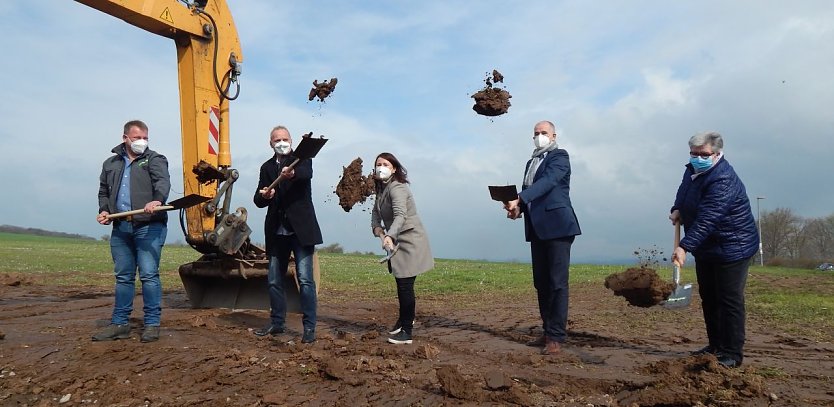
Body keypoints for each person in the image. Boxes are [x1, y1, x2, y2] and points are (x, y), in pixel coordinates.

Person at [669, 131, 759, 368]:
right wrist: (677, 207)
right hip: (707, 247)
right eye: (694, 153)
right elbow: (684, 191)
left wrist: (684, 246)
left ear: (717, 154)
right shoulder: (692, 170)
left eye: (703, 154)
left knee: (729, 300)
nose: (698, 157)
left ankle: (732, 353)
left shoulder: (723, 179)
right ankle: (715, 346)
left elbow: (709, 218)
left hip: (733, 246)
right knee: (709, 297)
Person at [504, 120, 581, 355]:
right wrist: (519, 209)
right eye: (536, 133)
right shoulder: (531, 162)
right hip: (537, 228)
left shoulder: (559, 157)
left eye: (543, 133)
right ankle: (547, 331)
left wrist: (519, 197)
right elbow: (533, 193)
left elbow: (547, 184)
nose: (539, 136)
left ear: (554, 135)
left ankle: (556, 336)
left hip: (558, 226)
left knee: (558, 283)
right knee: (542, 283)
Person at [94, 120, 170, 343]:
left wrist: (157, 200)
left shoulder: (155, 159)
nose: (141, 141)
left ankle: (152, 324)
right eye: (137, 137)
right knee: (124, 277)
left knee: (148, 275)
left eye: (145, 137)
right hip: (121, 227)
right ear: (125, 138)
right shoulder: (111, 163)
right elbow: (103, 192)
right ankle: (119, 324)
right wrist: (104, 210)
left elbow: (162, 182)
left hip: (149, 225)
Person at [253, 125, 322, 344]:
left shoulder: (301, 160)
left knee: (305, 279)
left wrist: (291, 173)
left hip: (300, 230)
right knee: (274, 280)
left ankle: (309, 327)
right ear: (270, 143)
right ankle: (277, 323)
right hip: (277, 232)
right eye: (277, 140)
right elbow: (258, 200)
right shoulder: (266, 168)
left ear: (291, 141)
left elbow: (305, 174)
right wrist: (265, 195)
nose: (281, 142)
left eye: (284, 139)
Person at [371, 152, 434, 345]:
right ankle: (403, 320)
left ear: (394, 168)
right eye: (378, 164)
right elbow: (375, 215)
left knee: (405, 285)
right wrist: (379, 232)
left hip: (409, 240)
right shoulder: (381, 190)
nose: (381, 167)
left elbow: (400, 216)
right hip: (396, 240)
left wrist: (390, 235)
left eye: (385, 164)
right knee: (401, 283)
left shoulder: (397, 188)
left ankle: (407, 331)